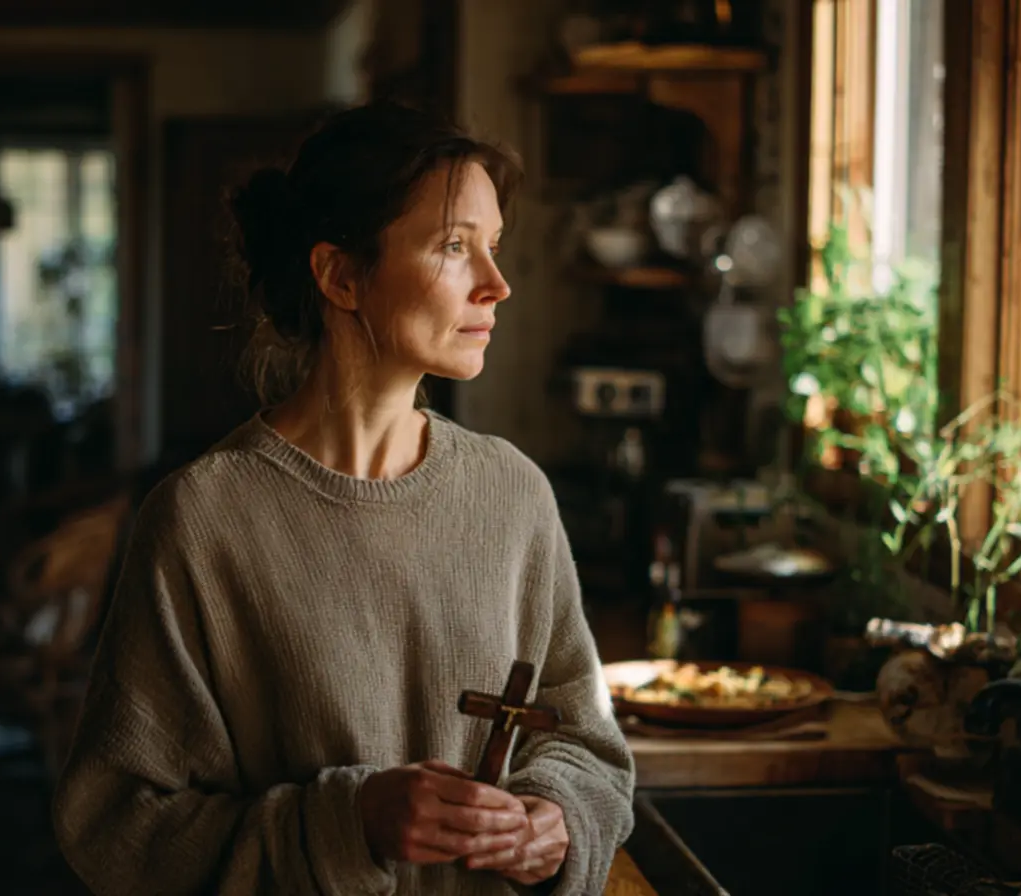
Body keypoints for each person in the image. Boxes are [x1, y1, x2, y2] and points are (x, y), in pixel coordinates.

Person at [52, 100, 635, 895]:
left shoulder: (514, 496)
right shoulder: (203, 521)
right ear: (340, 275)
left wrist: (556, 818)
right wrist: (345, 825)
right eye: (454, 247)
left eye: (493, 248)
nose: (497, 286)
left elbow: (587, 744)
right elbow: (119, 827)